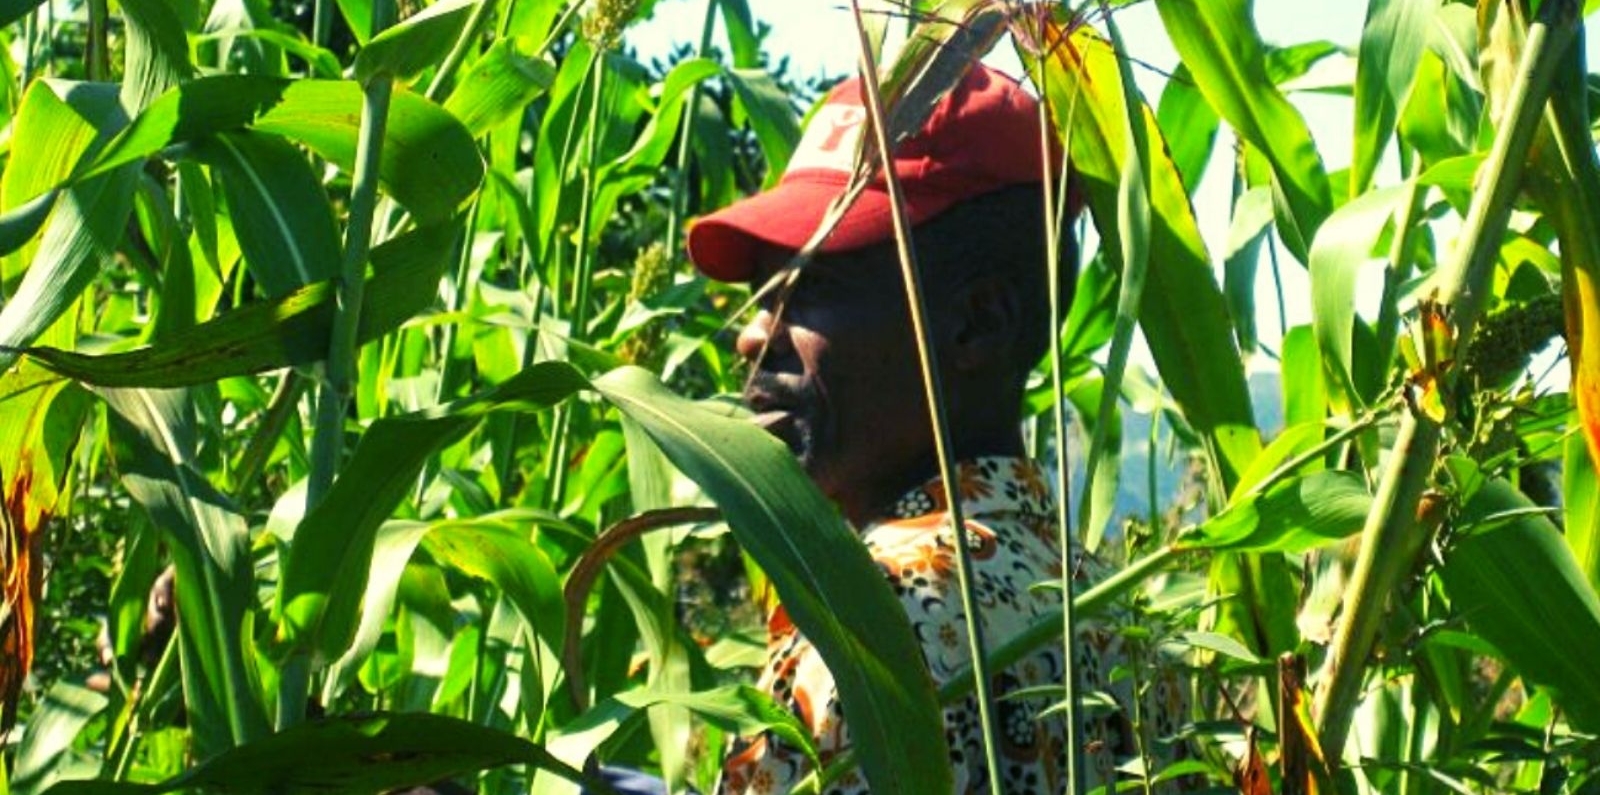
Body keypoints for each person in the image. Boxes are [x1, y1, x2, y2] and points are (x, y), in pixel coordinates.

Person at [685, 64, 1188, 794]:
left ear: (978, 320)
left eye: (813, 286)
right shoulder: (1127, 630)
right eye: (764, 289)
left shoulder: (866, 636)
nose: (753, 334)